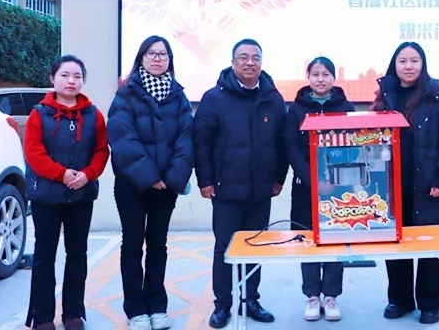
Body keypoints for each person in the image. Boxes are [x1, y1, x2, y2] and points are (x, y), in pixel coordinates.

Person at [370, 41, 439, 324]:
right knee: (395, 244)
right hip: (392, 187)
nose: (408, 66)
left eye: (414, 60)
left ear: (423, 64)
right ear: (395, 65)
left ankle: (430, 303)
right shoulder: (385, 96)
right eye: (403, 61)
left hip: (430, 185)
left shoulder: (438, 97)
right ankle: (399, 300)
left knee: (431, 245)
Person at [194, 38, 289, 329]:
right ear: (233, 62)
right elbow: (202, 142)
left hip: (261, 189)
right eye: (243, 57)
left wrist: (279, 177)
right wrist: (205, 180)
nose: (250, 62)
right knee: (224, 248)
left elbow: (282, 143)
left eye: (255, 57)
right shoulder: (215, 98)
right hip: (226, 189)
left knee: (255, 246)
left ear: (262, 62)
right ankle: (222, 304)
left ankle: (250, 300)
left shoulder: (273, 98)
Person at [107, 35, 195, 330]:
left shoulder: (178, 96)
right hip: (132, 186)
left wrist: (171, 178)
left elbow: (186, 139)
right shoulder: (126, 94)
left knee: (158, 244)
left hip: (167, 186)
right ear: (141, 58)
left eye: (163, 54)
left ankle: (157, 305)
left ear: (170, 60)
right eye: (152, 54)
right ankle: (135, 309)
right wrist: (151, 177)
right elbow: (123, 139)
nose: (158, 59)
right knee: (133, 244)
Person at [24, 55, 110, 330]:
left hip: (81, 196)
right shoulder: (39, 114)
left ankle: (73, 313)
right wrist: (62, 174)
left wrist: (88, 174)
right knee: (44, 255)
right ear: (53, 78)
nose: (71, 81)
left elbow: (101, 151)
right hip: (46, 197)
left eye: (77, 76)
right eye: (65, 75)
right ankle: (42, 316)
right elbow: (34, 153)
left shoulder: (94, 114)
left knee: (77, 254)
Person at [286, 57, 355, 322]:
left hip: (339, 186)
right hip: (305, 187)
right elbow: (291, 147)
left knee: (336, 238)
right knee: (307, 240)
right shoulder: (296, 109)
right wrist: (312, 178)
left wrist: (335, 179)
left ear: (334, 78)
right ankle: (312, 296)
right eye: (315, 74)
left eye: (326, 74)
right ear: (308, 78)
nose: (320, 79)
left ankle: (331, 296)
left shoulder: (345, 107)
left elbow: (353, 145)